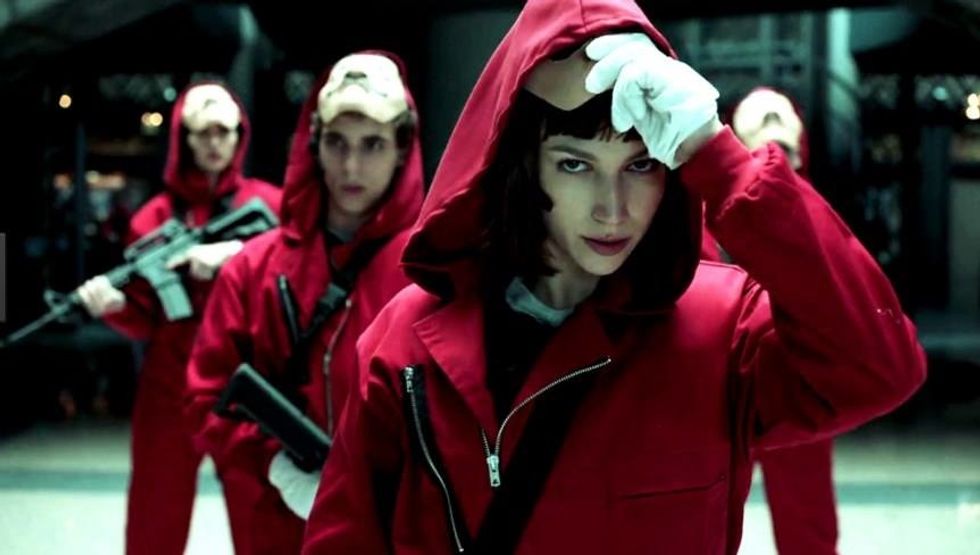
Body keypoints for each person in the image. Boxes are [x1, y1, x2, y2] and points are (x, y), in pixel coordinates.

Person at [300, 1, 927, 554]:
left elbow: (879, 368)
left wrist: (720, 156)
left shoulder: (724, 329)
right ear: (524, 166)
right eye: (575, 165)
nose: (612, 208)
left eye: (641, 165)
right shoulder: (406, 343)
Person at [184, 51, 424, 554]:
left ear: (403, 147)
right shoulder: (253, 269)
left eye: (373, 144)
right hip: (276, 524)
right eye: (337, 142)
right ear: (315, 142)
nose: (351, 166)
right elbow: (205, 399)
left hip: (394, 528)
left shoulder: (433, 273)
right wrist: (272, 462)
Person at [75, 82, 281, 555]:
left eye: (223, 132)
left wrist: (235, 255)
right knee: (156, 517)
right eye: (202, 133)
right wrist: (115, 307)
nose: (214, 143)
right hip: (171, 382)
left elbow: (294, 265)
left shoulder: (269, 204)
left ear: (240, 135)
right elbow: (145, 316)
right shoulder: (153, 219)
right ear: (183, 138)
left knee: (262, 518)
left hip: (249, 381)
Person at [725, 86, 840, 555]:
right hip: (724, 374)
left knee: (806, 512)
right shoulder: (712, 210)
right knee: (699, 506)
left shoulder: (817, 214)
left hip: (795, 372)